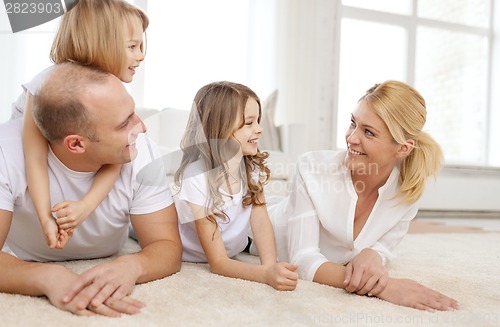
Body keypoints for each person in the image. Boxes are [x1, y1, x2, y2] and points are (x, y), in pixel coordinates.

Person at [0, 62, 182, 317]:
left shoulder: (141, 151)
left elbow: (167, 245)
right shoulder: (5, 151)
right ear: (75, 144)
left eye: (133, 112)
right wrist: (45, 277)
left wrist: (134, 266)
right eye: (123, 124)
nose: (141, 127)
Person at [270, 80, 460, 310]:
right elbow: (302, 259)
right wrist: (383, 286)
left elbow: (385, 247)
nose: (351, 138)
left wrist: (373, 254)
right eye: (353, 123)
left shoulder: (409, 190)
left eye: (368, 132)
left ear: (402, 148)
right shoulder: (312, 168)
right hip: (249, 227)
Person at [10, 0, 148, 249]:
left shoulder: (109, 91)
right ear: (100, 44)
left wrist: (86, 206)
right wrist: (45, 217)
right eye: (132, 46)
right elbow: (35, 157)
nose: (141, 55)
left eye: (141, 45)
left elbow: (115, 156)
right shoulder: (46, 86)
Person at [173, 81, 298, 291]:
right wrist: (263, 275)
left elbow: (261, 221)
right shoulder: (196, 177)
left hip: (231, 249)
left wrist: (270, 265)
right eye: (249, 123)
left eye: (258, 120)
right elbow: (219, 263)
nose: (259, 129)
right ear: (219, 129)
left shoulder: (251, 170)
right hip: (192, 252)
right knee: (144, 228)